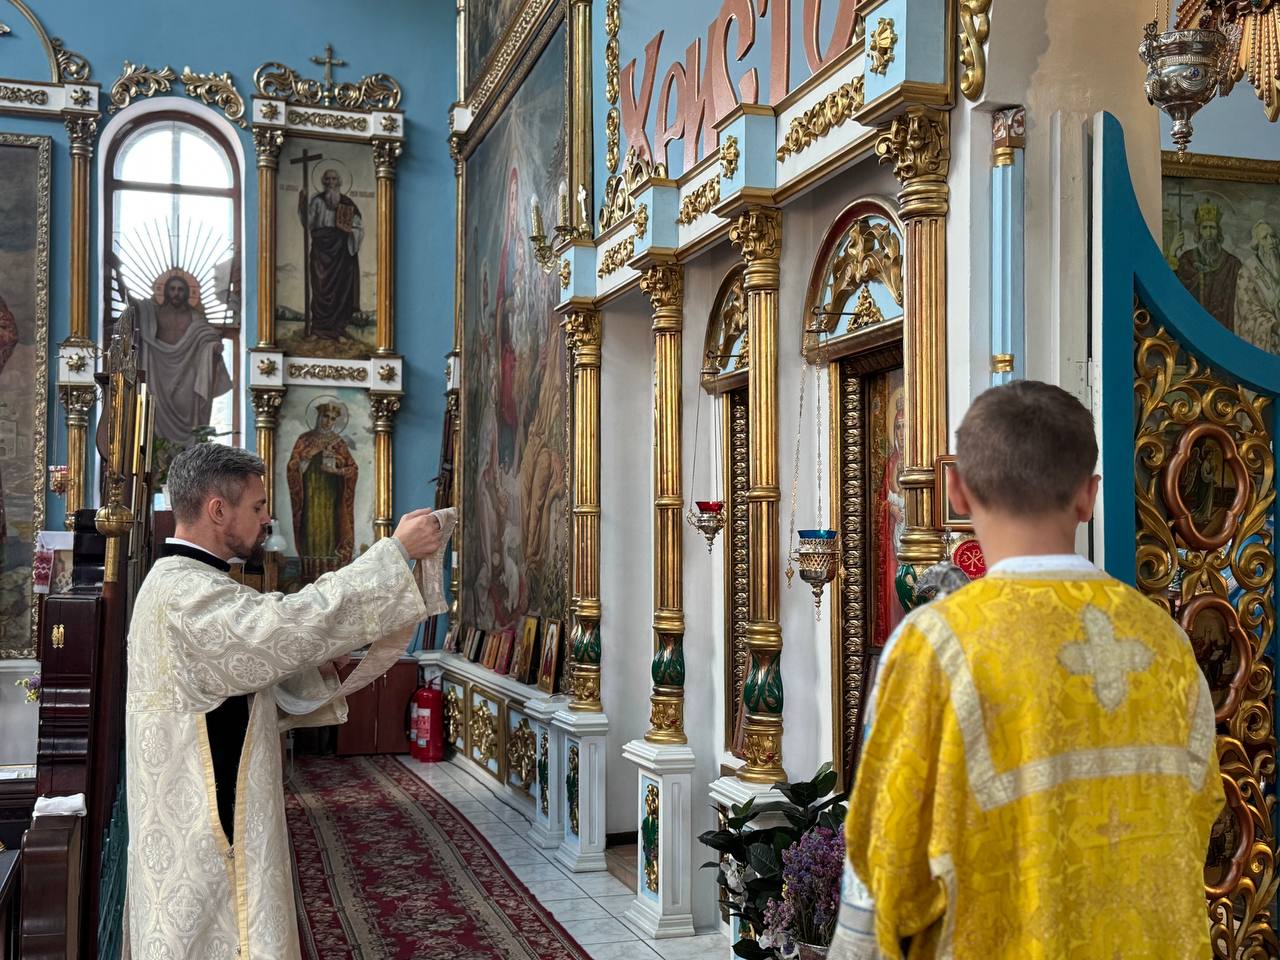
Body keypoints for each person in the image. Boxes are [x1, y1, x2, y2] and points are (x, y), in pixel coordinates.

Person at [830, 380, 1222, 959]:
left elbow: (885, 871)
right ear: (1088, 496)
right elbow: (1200, 813)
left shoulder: (936, 647)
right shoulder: (1166, 643)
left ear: (957, 490)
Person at [124, 443, 449, 959]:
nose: (266, 519)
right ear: (217, 510)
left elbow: (237, 677)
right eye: (257, 507)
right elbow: (287, 625)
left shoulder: (184, 582)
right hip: (207, 831)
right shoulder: (187, 595)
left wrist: (314, 666)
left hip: (197, 818)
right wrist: (394, 554)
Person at [117, 266, 233, 448]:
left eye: (180, 289)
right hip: (157, 373)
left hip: (187, 377)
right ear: (165, 291)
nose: (176, 293)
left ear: (187, 293)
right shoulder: (152, 312)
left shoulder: (195, 317)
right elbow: (132, 305)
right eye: (172, 289)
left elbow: (208, 337)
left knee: (191, 418)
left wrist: (214, 347)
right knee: (153, 414)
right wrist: (118, 276)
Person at [285, 400, 358, 573]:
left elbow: (353, 469)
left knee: (331, 528)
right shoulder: (305, 440)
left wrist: (336, 469)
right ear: (319, 416)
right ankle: (310, 571)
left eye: (332, 418)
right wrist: (307, 458)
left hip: (331, 496)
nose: (328, 421)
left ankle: (332, 571)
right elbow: (292, 467)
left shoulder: (338, 443)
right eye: (325, 416)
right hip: (310, 496)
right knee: (311, 527)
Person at [301, 167, 364, 340]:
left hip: (341, 252)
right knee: (320, 288)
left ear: (339, 182)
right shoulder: (317, 201)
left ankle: (338, 330)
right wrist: (302, 205)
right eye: (327, 179)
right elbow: (308, 223)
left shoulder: (348, 203)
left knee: (341, 289)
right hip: (321, 250)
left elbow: (358, 227)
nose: (331, 182)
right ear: (323, 182)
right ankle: (318, 330)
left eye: (334, 179)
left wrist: (350, 230)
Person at [1173, 201, 1243, 332]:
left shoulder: (1232, 264)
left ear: (1218, 231)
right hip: (1192, 329)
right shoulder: (1187, 259)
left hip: (1223, 331)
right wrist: (1172, 253)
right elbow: (1174, 289)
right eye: (1204, 228)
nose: (1209, 233)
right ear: (1199, 232)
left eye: (1213, 228)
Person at [1235, 219, 1280, 353]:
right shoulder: (1247, 271)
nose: (1271, 242)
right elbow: (1248, 311)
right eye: (1265, 238)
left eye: (1273, 236)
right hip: (1268, 341)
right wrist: (1273, 325)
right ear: (1257, 243)